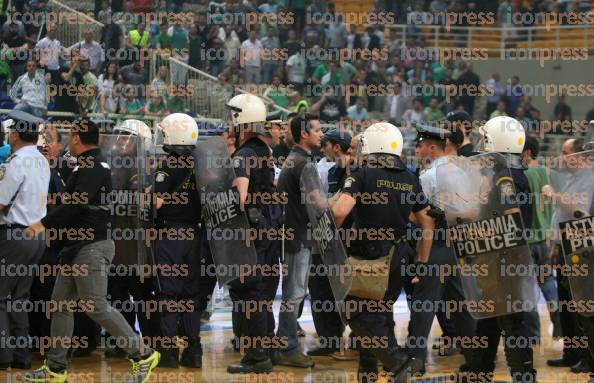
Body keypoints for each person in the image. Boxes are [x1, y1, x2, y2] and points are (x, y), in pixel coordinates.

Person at [24, 119, 160, 383]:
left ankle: (142, 354)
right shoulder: (85, 166)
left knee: (94, 305)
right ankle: (55, 368)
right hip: (76, 246)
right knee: (60, 305)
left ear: (76, 138)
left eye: (70, 136)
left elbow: (75, 204)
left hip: (91, 246)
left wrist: (43, 224)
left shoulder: (94, 166)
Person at [331, 122, 434, 383]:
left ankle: (397, 360)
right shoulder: (411, 177)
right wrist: (421, 262)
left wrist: (326, 232)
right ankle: (369, 373)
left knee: (355, 312)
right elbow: (427, 222)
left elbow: (341, 211)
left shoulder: (362, 174)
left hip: (369, 258)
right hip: (398, 257)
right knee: (381, 313)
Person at [458, 116, 537, 383]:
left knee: (512, 325)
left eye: (485, 139)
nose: (481, 144)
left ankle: (524, 376)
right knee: (488, 320)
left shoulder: (505, 176)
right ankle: (480, 373)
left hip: (504, 262)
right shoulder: (513, 173)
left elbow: (510, 216)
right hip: (501, 260)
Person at [406, 125, 476, 376]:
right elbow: (473, 211)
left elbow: (420, 218)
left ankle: (415, 360)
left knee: (424, 304)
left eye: (420, 145)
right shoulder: (462, 171)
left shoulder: (427, 176)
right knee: (462, 307)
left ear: (432, 148)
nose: (416, 150)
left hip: (436, 245)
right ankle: (475, 359)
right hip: (460, 247)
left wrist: (421, 260)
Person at [225, 94, 283, 373]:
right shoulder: (264, 152)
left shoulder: (244, 154)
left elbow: (240, 195)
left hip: (252, 234)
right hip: (269, 231)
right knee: (261, 294)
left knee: (249, 295)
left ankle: (257, 358)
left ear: (241, 121)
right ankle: (266, 352)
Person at [102, 120, 161, 359]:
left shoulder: (146, 172)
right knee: (117, 295)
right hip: (116, 241)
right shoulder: (113, 167)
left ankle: (152, 343)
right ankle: (125, 343)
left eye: (128, 137)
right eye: (120, 136)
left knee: (143, 296)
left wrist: (146, 253)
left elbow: (148, 214)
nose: (121, 141)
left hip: (138, 244)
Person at [152, 113, 205, 369]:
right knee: (191, 294)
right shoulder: (201, 166)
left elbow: (157, 202)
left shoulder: (166, 165)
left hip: (170, 235)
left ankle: (169, 352)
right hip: (194, 235)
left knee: (168, 293)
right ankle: (194, 350)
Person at [0, 111, 50, 370]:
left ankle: (4, 356)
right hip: (36, 233)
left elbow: (1, 202)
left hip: (15, 235)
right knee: (19, 297)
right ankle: (22, 356)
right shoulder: (42, 161)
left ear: (16, 134)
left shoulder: (16, 162)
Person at [276, 113, 324, 368]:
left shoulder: (294, 159)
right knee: (294, 294)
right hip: (298, 237)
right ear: (304, 134)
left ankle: (284, 342)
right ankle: (287, 346)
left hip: (294, 234)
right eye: (317, 130)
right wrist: (342, 199)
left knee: (293, 293)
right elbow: (319, 203)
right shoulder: (303, 162)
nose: (321, 134)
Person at [307, 128, 352, 357]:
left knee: (348, 293)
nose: (322, 149)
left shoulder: (355, 172)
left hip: (347, 242)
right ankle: (330, 339)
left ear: (336, 146)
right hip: (331, 239)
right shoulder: (333, 170)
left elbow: (340, 208)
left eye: (326, 145)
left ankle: (356, 340)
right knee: (320, 289)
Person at [28, 125, 66, 356]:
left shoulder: (60, 171)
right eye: (41, 138)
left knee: (45, 295)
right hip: (28, 240)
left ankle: (44, 344)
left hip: (49, 244)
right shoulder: (30, 168)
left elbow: (59, 209)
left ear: (59, 146)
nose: (44, 144)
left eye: (49, 139)